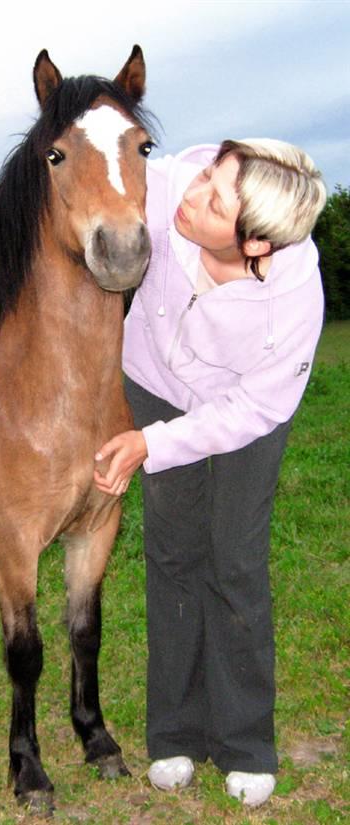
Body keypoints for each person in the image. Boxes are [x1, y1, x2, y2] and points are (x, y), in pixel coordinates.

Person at [93, 138, 326, 807]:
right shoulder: (165, 188)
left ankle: (246, 741)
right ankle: (174, 731)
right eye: (204, 176)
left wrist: (151, 445)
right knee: (172, 551)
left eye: (215, 200)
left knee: (235, 559)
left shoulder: (292, 297)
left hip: (246, 411)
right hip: (157, 383)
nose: (190, 197)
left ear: (254, 244)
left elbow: (253, 406)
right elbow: (72, 200)